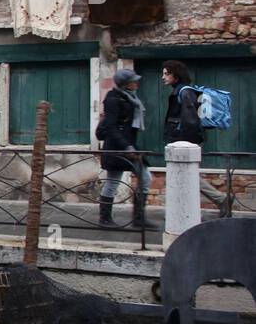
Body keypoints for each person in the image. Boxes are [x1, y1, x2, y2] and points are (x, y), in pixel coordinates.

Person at [162, 60, 228, 213]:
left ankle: (220, 199)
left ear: (176, 76)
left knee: (187, 176)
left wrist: (183, 145)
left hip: (186, 142)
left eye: (166, 74)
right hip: (183, 141)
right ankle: (182, 211)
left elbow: (190, 120)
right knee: (185, 177)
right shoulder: (180, 91)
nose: (163, 77)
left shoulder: (185, 92)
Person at [98, 69, 154, 229]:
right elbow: (110, 126)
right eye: (133, 81)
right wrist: (126, 146)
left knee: (145, 177)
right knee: (112, 182)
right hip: (117, 146)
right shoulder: (113, 98)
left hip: (129, 145)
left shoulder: (131, 98)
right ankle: (104, 219)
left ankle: (139, 218)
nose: (136, 83)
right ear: (125, 83)